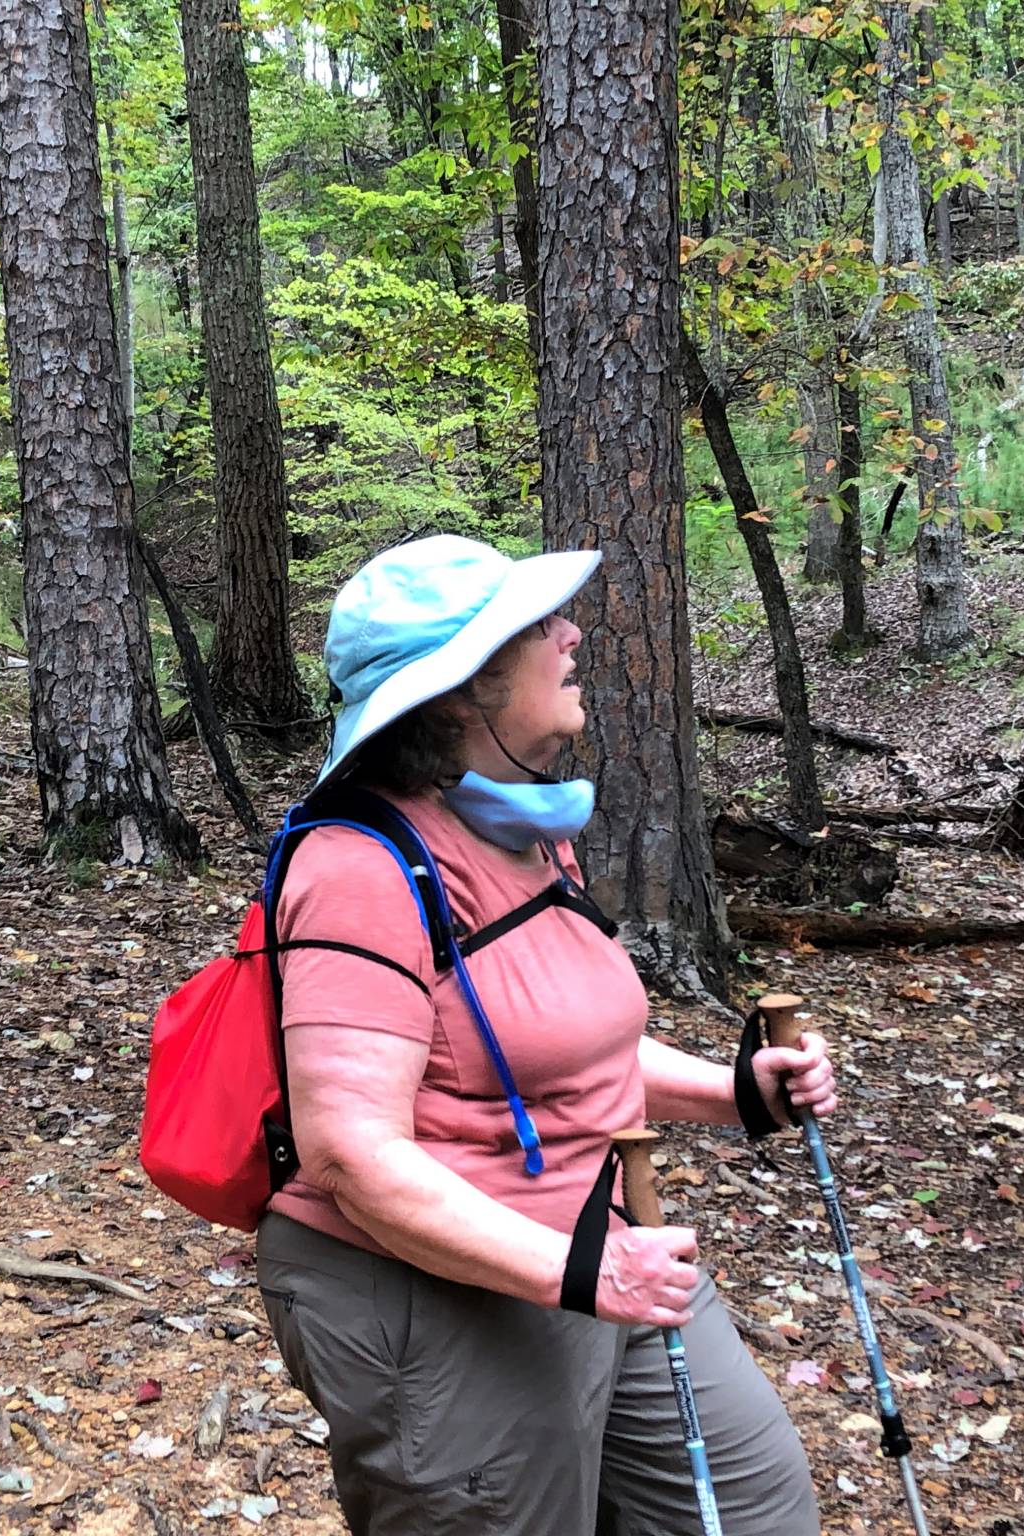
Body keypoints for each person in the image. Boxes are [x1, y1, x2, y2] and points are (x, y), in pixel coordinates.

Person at [257, 534, 838, 1535]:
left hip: (597, 1247)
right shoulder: (358, 866)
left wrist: (740, 1090)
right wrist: (583, 1274)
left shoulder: (521, 831)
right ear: (460, 691)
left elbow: (571, 1049)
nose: (571, 634)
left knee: (750, 1514)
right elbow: (349, 1153)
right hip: (436, 1297)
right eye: (535, 627)